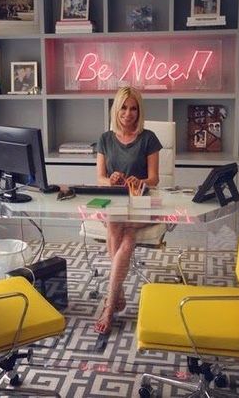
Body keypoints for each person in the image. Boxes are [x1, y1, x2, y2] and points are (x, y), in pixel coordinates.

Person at [94, 86, 162, 334]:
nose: (128, 113)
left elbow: (155, 179)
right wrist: (110, 180)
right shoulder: (105, 139)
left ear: (139, 111)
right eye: (124, 107)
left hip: (142, 203)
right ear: (116, 109)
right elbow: (99, 178)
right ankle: (116, 295)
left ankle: (110, 305)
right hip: (115, 204)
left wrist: (140, 181)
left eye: (133, 108)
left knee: (116, 225)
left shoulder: (149, 138)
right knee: (124, 234)